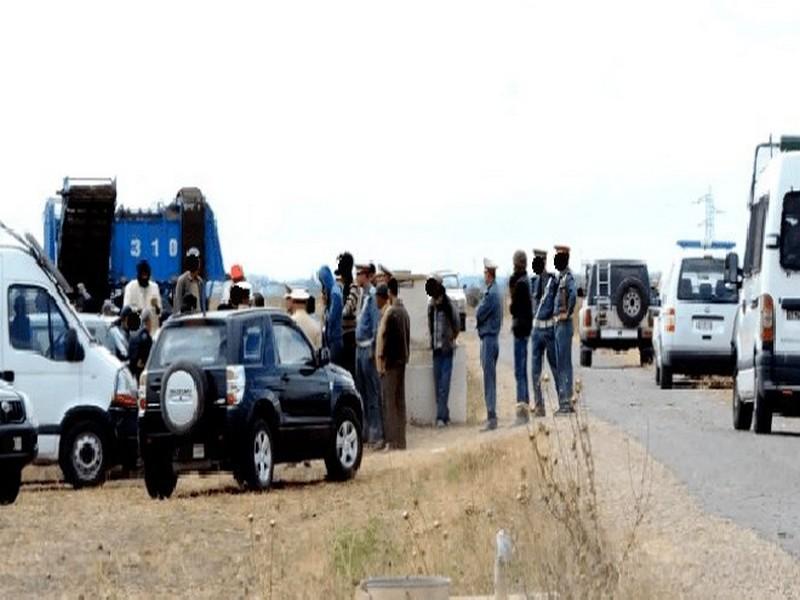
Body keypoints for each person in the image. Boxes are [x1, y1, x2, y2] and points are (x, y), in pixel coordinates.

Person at [376, 280, 410, 450]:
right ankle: (401, 440)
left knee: (390, 402)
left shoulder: (391, 313)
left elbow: (386, 341)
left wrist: (382, 361)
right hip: (402, 361)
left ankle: (391, 441)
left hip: (391, 363)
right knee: (400, 401)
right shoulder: (404, 311)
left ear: (389, 292)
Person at [355, 262, 383, 446]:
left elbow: (375, 325)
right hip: (359, 347)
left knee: (372, 393)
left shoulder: (372, 296)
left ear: (366, 276)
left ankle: (376, 431)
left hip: (367, 349)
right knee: (362, 392)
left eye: (359, 274)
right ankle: (365, 431)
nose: (357, 277)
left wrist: (374, 350)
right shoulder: (362, 296)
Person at [426, 274, 459, 428]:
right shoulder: (431, 307)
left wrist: (451, 338)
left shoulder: (448, 305)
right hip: (436, 350)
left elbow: (457, 324)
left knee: (444, 385)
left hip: (446, 350)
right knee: (437, 384)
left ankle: (440, 417)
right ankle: (444, 415)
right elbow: (430, 326)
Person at [530, 249, 560, 416]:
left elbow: (557, 303)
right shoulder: (533, 282)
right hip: (536, 331)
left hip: (549, 330)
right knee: (535, 370)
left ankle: (563, 401)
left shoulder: (552, 282)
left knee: (555, 367)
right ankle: (539, 405)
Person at [476, 258, 503, 431]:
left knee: (489, 379)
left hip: (489, 338)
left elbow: (479, 313)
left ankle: (491, 416)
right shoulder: (495, 291)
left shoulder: (491, 293)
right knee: (489, 377)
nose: (484, 275)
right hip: (491, 338)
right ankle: (491, 414)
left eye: (485, 273)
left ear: (489, 274)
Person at [510, 250, 533, 425]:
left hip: (520, 330)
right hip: (525, 330)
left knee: (520, 372)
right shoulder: (526, 281)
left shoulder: (520, 284)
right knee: (522, 371)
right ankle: (526, 405)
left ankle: (522, 411)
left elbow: (513, 309)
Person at [553, 245, 577, 415]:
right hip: (558, 325)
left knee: (563, 364)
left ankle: (566, 402)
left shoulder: (568, 278)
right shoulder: (560, 278)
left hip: (564, 325)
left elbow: (573, 295)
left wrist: (567, 313)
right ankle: (564, 400)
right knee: (561, 363)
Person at [123, 260, 162, 333]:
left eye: (146, 275)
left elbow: (159, 313)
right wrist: (140, 312)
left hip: (152, 332)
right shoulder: (130, 287)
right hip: (135, 332)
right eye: (142, 275)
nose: (144, 278)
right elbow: (126, 310)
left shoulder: (155, 287)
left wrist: (156, 306)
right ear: (138, 275)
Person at [338, 252, 359, 377]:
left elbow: (348, 309)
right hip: (343, 336)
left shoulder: (353, 287)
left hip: (350, 336)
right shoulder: (344, 287)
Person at [318, 265, 344, 364]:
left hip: (335, 338)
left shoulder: (335, 293)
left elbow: (332, 316)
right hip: (331, 338)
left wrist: (325, 309)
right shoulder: (332, 292)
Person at [173, 248, 205, 315]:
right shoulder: (182, 280)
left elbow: (203, 304)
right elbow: (178, 302)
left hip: (198, 318)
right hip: (187, 318)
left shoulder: (200, 281)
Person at [128, 308, 154, 380]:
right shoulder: (145, 337)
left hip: (136, 370)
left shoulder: (137, 333)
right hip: (143, 371)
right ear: (149, 321)